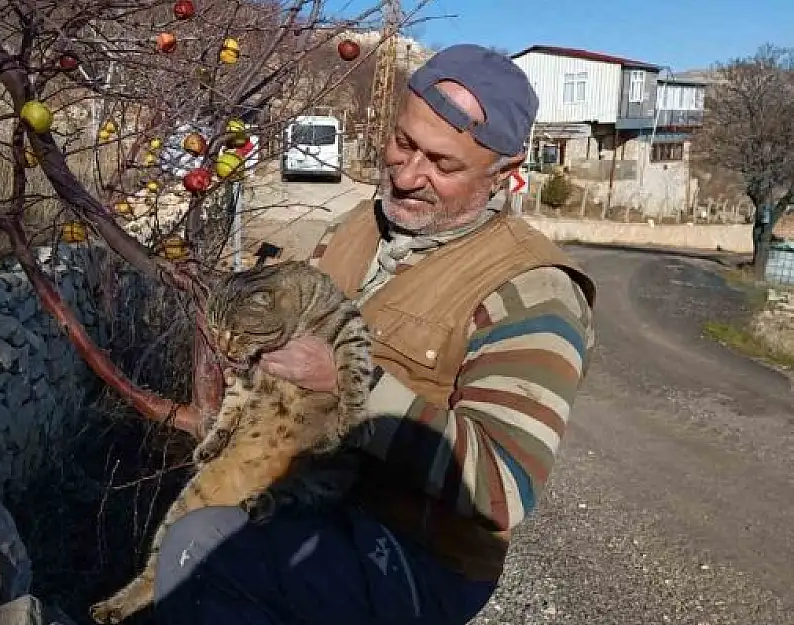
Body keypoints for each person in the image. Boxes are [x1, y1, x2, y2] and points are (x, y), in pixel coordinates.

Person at [152, 44, 598, 625]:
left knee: (212, 553)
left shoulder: (534, 289)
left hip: (420, 554)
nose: (410, 175)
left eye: (443, 165)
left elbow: (502, 485)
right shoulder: (351, 229)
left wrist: (350, 383)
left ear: (503, 176)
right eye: (404, 144)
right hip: (309, 496)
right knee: (189, 539)